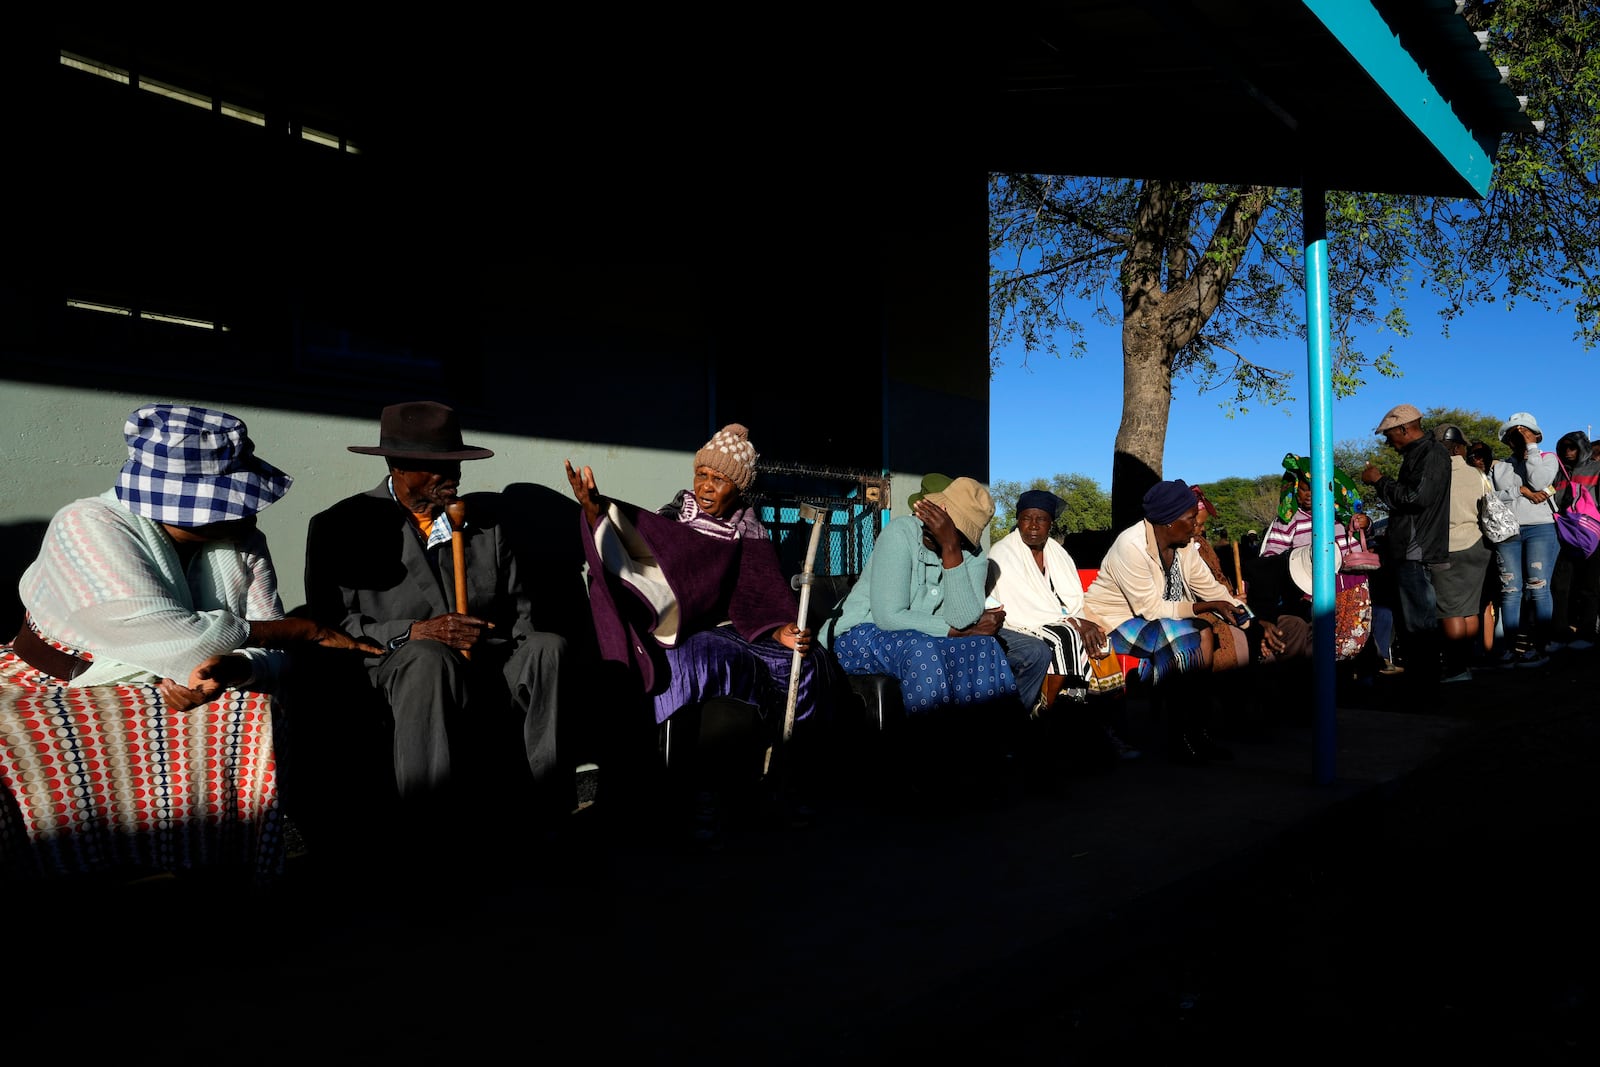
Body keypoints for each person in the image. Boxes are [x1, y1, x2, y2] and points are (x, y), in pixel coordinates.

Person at [2, 403, 380, 878]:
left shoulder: (242, 540)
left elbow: (262, 654)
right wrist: (299, 630)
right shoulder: (87, 525)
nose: (251, 510)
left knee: (252, 704)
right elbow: (178, 639)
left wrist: (234, 668)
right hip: (64, 680)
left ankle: (223, 868)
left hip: (189, 677)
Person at [304, 401, 571, 841]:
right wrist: (414, 632)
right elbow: (330, 625)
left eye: (456, 464)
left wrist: (504, 641)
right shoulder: (342, 526)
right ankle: (431, 831)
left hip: (483, 660)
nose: (453, 476)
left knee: (548, 647)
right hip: (395, 665)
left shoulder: (485, 527)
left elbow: (520, 612)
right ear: (397, 467)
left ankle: (545, 811)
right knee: (428, 656)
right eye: (435, 467)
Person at [564, 423, 839, 844]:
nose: (707, 488)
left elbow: (761, 593)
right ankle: (700, 794)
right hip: (679, 631)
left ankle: (787, 777)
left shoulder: (750, 529)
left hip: (742, 629)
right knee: (708, 659)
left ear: (739, 488)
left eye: (720, 479)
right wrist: (595, 512)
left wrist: (781, 628)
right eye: (702, 476)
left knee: (808, 660)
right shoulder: (671, 521)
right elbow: (634, 561)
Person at [1082, 479, 1307, 764]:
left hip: (1155, 619)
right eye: (1190, 518)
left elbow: (1214, 590)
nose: (1195, 526)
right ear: (1168, 522)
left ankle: (1194, 732)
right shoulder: (1131, 545)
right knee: (1188, 637)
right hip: (1113, 623)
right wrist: (1209, 606)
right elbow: (1151, 609)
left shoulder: (1184, 545)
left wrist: (1254, 621)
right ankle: (1184, 736)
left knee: (1199, 633)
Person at [828, 476, 1047, 721]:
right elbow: (889, 617)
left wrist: (951, 549)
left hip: (925, 635)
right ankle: (934, 747)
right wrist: (960, 632)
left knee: (985, 645)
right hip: (862, 633)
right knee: (922, 651)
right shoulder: (900, 532)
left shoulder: (971, 554)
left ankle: (994, 740)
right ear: (938, 510)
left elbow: (962, 618)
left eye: (960, 533)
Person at [986, 489, 1138, 759]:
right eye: (1026, 518)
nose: (1033, 525)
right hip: (1016, 622)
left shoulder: (1056, 552)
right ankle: (1043, 711)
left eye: (1041, 519)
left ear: (1050, 524)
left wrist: (1079, 620)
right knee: (1066, 636)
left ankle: (1099, 726)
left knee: (1100, 641)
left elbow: (1067, 599)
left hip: (1056, 618)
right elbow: (1022, 605)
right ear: (1018, 520)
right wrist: (1074, 622)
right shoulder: (1004, 552)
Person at [1361, 403, 1450, 690]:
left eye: (1389, 435)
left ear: (1404, 428)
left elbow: (1416, 497)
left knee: (1419, 623)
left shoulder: (1431, 453)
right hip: (1410, 549)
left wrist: (1379, 481)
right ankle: (1420, 683)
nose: (1388, 442)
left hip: (1416, 550)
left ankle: (1425, 687)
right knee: (1412, 622)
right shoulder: (1420, 454)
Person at [1484, 411, 1560, 667]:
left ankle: (1541, 647)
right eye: (1514, 434)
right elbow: (1494, 497)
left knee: (1538, 587)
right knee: (1510, 590)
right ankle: (1507, 649)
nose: (1518, 438)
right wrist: (1521, 491)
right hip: (1508, 533)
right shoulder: (1501, 466)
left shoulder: (1548, 459)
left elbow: (1539, 480)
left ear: (1536, 436)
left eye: (1524, 433)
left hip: (1541, 529)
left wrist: (1532, 448)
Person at [1431, 425, 1493, 682]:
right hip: (1478, 546)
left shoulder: (1433, 475)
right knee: (1469, 609)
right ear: (1458, 448)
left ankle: (1456, 668)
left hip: (1447, 548)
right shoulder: (1478, 475)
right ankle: (1465, 664)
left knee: (1449, 611)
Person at [1549, 429, 1600, 651]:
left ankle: (1587, 632)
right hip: (1564, 535)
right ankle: (1560, 632)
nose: (1569, 452)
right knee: (1560, 586)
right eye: (1564, 447)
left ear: (1582, 448)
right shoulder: (1558, 473)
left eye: (1573, 447)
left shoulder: (1597, 469)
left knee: (1590, 585)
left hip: (1592, 535)